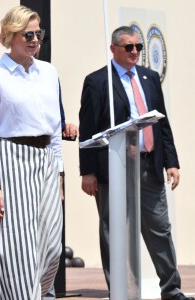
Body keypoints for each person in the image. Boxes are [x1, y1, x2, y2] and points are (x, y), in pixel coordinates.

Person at [79, 25, 194, 300]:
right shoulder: (98, 81)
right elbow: (88, 129)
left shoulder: (150, 77)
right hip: (114, 170)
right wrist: (88, 171)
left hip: (149, 167)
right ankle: (118, 290)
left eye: (138, 47)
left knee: (160, 230)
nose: (135, 52)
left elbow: (162, 123)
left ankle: (171, 289)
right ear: (113, 49)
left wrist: (171, 162)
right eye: (128, 47)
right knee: (113, 231)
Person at [0, 5, 63, 300]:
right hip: (10, 161)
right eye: (29, 34)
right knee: (18, 250)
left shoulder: (48, 72)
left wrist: (59, 171)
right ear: (11, 35)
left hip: (46, 161)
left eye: (39, 33)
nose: (36, 39)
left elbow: (55, 125)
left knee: (52, 248)